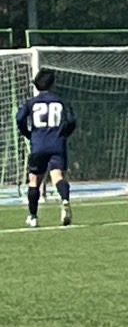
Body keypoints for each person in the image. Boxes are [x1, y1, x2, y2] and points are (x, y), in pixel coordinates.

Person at [16, 69, 77, 229]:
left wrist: (29, 134)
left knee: (34, 181)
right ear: (52, 84)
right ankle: (65, 200)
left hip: (38, 145)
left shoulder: (31, 103)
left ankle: (33, 216)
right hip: (57, 144)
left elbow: (19, 119)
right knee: (58, 177)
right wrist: (63, 134)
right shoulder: (61, 101)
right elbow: (71, 121)